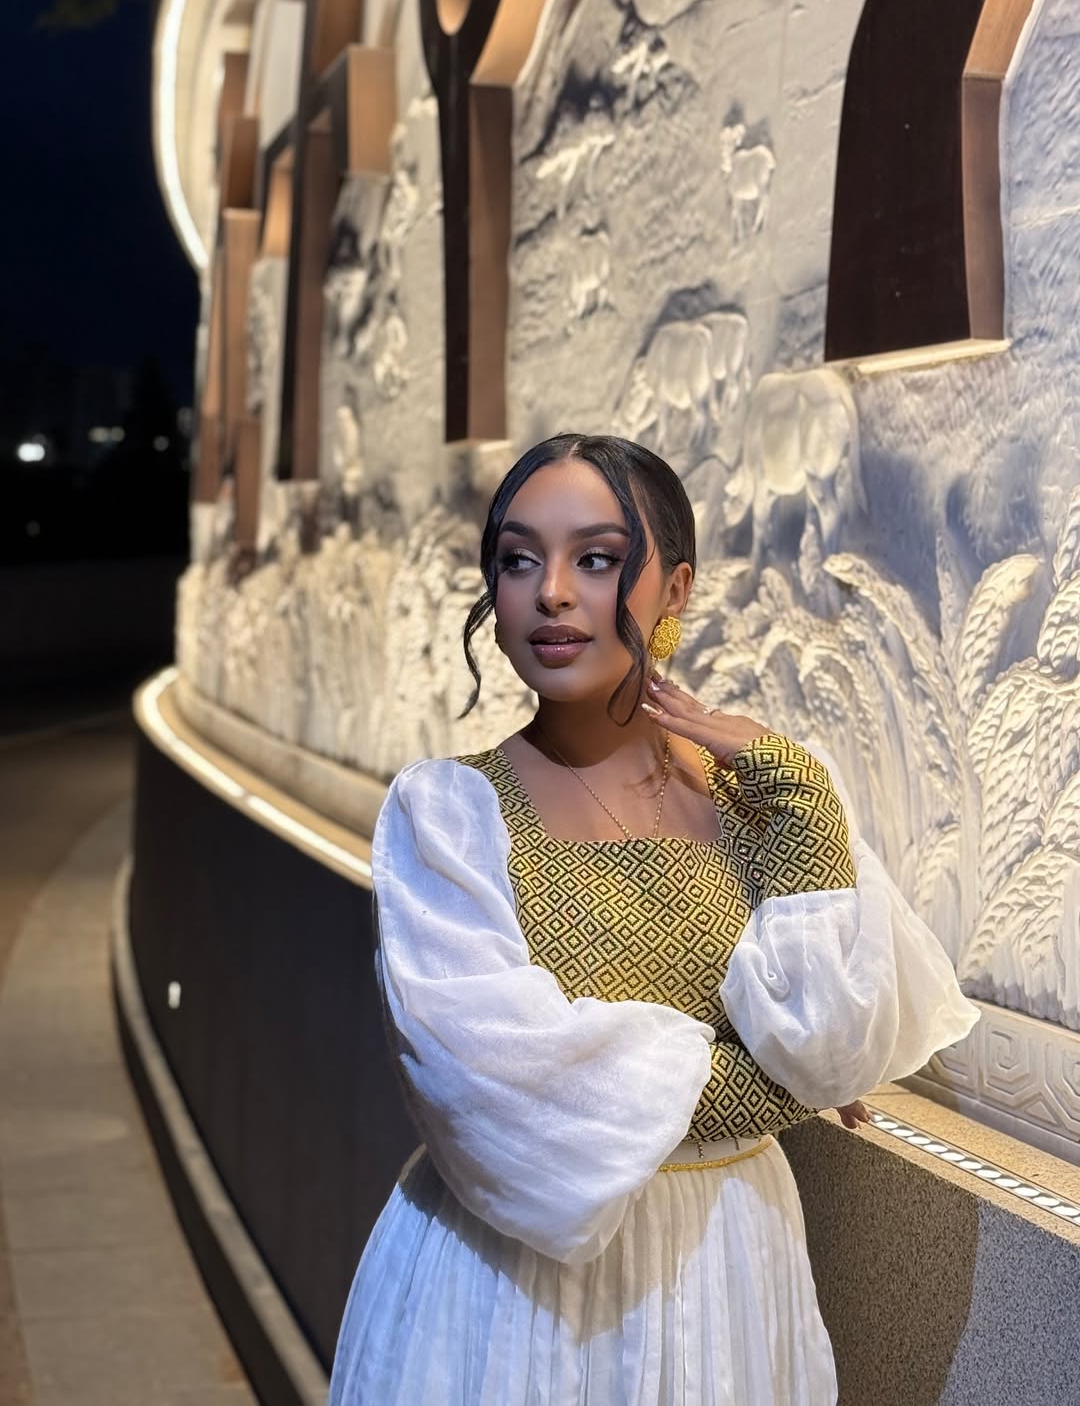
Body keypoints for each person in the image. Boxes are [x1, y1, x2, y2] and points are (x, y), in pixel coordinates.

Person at [329, 433, 979, 1405]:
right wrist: (786, 1083)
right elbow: (505, 1097)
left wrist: (799, 799)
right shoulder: (443, 817)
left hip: (734, 1267)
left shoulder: (764, 795)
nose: (550, 591)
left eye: (595, 558)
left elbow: (843, 1041)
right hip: (513, 1296)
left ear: (673, 592)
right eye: (517, 558)